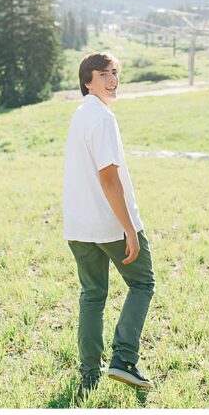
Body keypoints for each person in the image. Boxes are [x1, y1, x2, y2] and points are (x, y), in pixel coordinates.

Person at [63, 52, 155, 396]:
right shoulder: (102, 118)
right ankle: (124, 359)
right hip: (109, 223)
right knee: (143, 283)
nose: (113, 80)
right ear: (88, 81)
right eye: (104, 74)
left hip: (78, 225)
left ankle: (89, 376)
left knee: (92, 296)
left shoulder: (80, 115)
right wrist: (129, 227)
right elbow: (108, 177)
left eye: (115, 73)